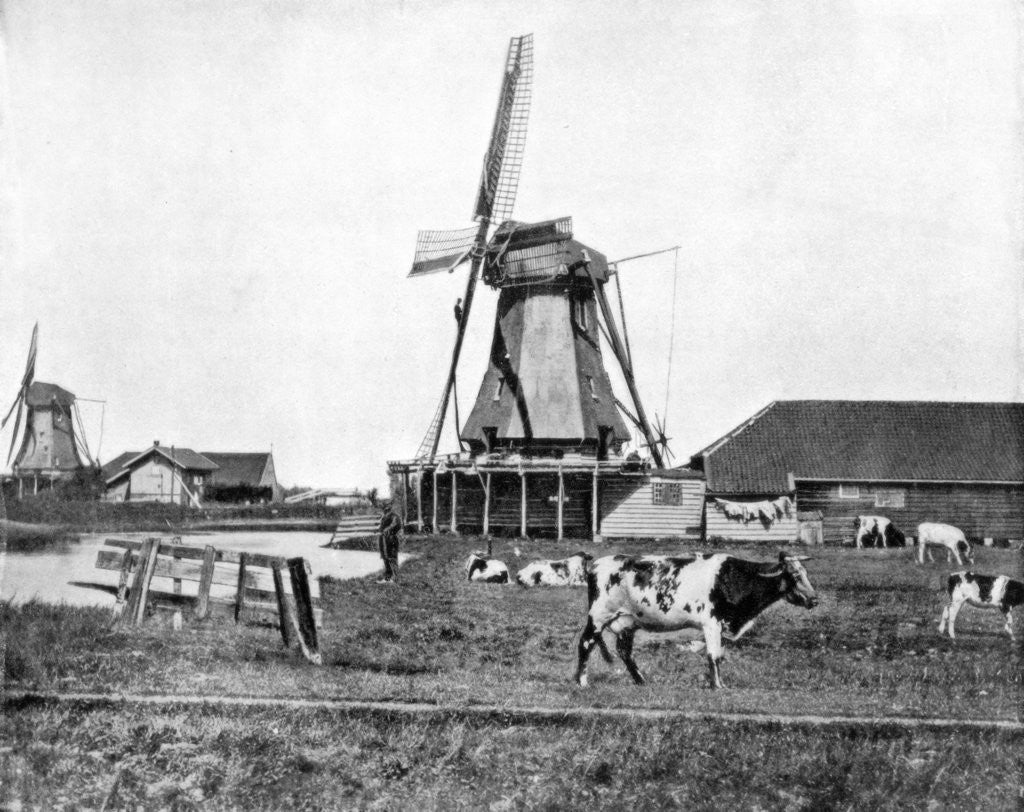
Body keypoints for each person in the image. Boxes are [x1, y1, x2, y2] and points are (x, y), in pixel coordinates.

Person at [377, 502, 403, 584]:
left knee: (392, 558)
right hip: (383, 539)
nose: (385, 508)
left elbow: (396, 525)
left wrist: (387, 530)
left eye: (386, 506)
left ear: (390, 507)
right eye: (384, 507)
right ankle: (388, 577)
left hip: (391, 539)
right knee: (385, 557)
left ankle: (396, 578)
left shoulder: (394, 516)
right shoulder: (384, 516)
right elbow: (381, 527)